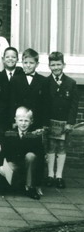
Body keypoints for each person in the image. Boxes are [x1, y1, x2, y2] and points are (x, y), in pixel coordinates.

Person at [44, 52, 79, 189]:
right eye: (53, 65)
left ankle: (59, 176)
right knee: (51, 146)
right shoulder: (46, 82)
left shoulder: (71, 83)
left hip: (64, 122)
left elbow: (73, 105)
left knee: (62, 147)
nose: (56, 67)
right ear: (49, 66)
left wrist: (70, 122)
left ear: (63, 65)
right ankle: (50, 175)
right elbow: (43, 104)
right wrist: (45, 123)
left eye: (58, 64)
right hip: (50, 122)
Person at [0, 107, 44, 200]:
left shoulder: (35, 135)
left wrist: (38, 183)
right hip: (15, 163)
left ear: (31, 121)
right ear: (15, 120)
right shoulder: (9, 133)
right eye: (20, 120)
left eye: (26, 121)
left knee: (30, 156)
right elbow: (4, 152)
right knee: (3, 169)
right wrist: (2, 166)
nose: (23, 123)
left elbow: (40, 159)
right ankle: (16, 185)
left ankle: (30, 187)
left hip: (29, 165)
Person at [8, 48, 48, 128]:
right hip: (19, 122)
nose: (28, 65)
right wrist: (13, 121)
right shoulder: (15, 79)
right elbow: (11, 102)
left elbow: (46, 104)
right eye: (25, 62)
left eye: (31, 63)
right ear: (22, 63)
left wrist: (45, 124)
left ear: (37, 64)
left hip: (37, 121)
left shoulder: (43, 81)